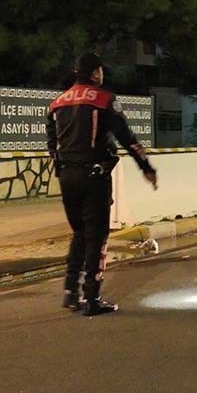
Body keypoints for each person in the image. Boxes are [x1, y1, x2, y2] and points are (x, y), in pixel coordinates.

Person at [47, 53, 158, 317]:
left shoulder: (56, 103)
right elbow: (127, 137)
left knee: (80, 233)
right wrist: (146, 167)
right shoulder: (104, 99)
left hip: (67, 177)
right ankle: (92, 298)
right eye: (100, 71)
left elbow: (52, 144)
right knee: (97, 236)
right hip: (94, 175)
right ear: (95, 73)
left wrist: (61, 168)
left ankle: (70, 292)